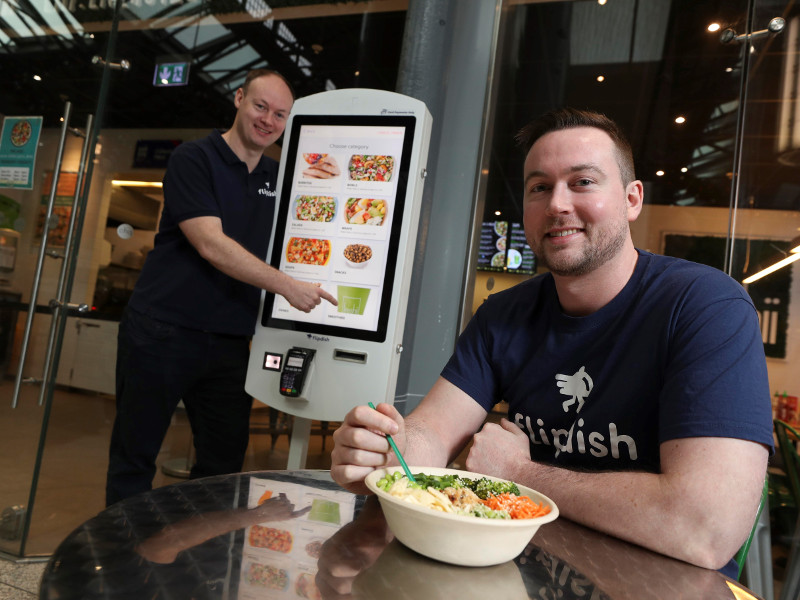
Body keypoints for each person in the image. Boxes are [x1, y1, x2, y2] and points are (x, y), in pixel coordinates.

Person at [330, 108, 774, 577]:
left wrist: (519, 476)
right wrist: (383, 453)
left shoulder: (706, 306)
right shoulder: (504, 315)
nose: (557, 204)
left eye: (582, 182)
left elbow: (704, 528)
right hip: (524, 573)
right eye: (540, 187)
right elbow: (434, 433)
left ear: (631, 199)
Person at [106, 69, 336, 506]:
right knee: (134, 457)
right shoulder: (194, 158)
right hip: (162, 330)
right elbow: (210, 244)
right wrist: (288, 286)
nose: (268, 120)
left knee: (223, 463)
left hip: (230, 341)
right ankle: (124, 563)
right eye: (260, 106)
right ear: (238, 99)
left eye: (280, 114)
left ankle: (201, 561)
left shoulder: (278, 177)